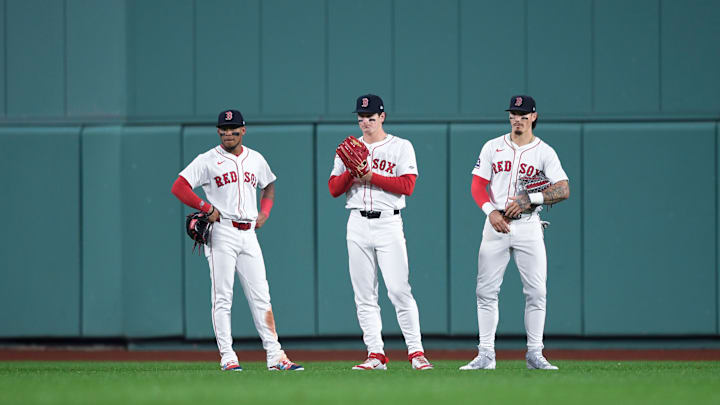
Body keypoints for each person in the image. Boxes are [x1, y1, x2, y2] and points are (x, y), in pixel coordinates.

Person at [171, 109, 303, 372]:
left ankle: (275, 355)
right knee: (223, 297)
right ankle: (228, 355)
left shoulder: (256, 158)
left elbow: (269, 185)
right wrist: (204, 207)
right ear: (218, 131)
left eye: (233, 129)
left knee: (261, 296)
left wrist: (265, 211)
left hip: (249, 233)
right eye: (223, 129)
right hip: (222, 232)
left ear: (243, 130)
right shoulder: (207, 160)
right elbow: (179, 186)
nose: (228, 133)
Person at [460, 95, 570, 371]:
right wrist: (490, 212)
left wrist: (532, 198)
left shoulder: (545, 152)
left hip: (528, 224)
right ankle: (485, 354)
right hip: (496, 224)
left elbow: (564, 189)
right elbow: (477, 186)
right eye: (513, 113)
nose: (516, 119)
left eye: (522, 114)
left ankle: (535, 353)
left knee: (536, 292)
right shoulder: (492, 147)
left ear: (533, 116)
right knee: (485, 291)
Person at [328, 94, 433, 370]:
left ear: (382, 117)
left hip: (389, 222)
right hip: (357, 223)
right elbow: (334, 190)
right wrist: (352, 171)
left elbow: (407, 185)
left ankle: (416, 352)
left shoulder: (401, 146)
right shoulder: (348, 148)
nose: (365, 123)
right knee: (364, 294)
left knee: (399, 290)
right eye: (361, 118)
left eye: (371, 118)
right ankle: (375, 354)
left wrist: (371, 176)